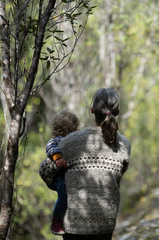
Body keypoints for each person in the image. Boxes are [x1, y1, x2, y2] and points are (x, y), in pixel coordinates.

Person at [59, 88, 131, 240]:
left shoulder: (69, 142)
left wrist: (65, 182)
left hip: (74, 225)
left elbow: (45, 171)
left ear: (92, 110)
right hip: (105, 224)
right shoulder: (124, 145)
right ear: (116, 112)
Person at [45, 109, 79, 235]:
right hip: (59, 178)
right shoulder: (57, 140)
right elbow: (50, 147)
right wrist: (57, 158)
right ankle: (56, 221)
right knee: (64, 193)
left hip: (67, 176)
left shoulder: (74, 141)